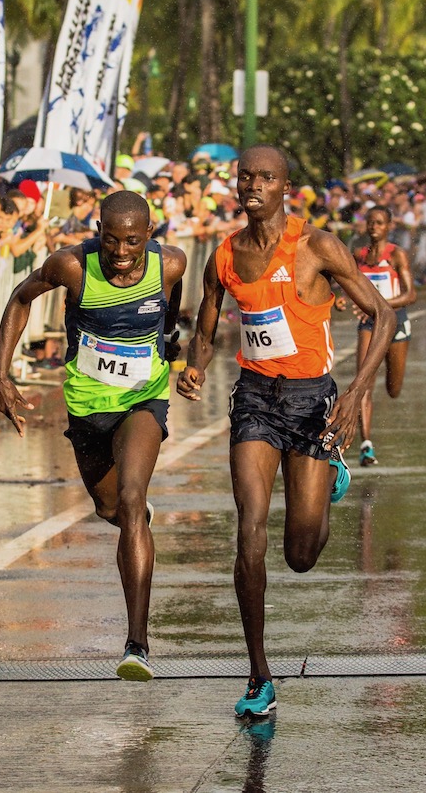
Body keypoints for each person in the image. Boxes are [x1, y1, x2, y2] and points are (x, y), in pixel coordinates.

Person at [176, 144, 396, 718]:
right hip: (254, 399)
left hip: (312, 400)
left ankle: (329, 483)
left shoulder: (315, 246)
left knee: (301, 552)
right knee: (249, 526)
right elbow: (205, 329)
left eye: (265, 177)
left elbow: (383, 314)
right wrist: (195, 363)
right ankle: (259, 676)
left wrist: (353, 395)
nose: (253, 185)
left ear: (284, 187)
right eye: (245, 176)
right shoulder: (223, 254)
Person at [0, 190, 186, 682]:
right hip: (87, 402)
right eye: (112, 240)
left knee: (132, 494)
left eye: (133, 242)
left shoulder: (171, 265)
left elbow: (171, 302)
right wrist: (1, 372)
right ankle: (133, 518)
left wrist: (168, 339)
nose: (121, 253)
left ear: (150, 236)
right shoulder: (71, 267)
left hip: (144, 396)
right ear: (98, 231)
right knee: (111, 510)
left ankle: (137, 644)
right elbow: (19, 297)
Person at [348, 206, 416, 466]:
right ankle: (366, 445)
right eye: (370, 222)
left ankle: (392, 373)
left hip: (396, 323)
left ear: (389, 226)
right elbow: (349, 284)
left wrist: (383, 303)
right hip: (369, 324)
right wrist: (343, 300)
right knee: (363, 380)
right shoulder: (359, 256)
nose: (374, 226)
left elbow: (411, 295)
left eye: (379, 223)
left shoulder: (397, 255)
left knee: (393, 389)